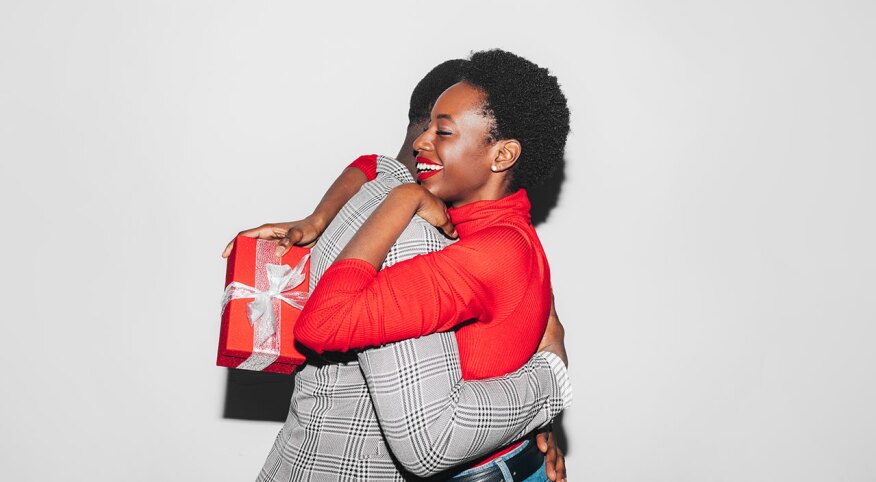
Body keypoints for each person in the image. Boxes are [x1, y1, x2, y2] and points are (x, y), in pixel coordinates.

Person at [224, 58, 570, 481]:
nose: (425, 141)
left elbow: (374, 167)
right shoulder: (426, 226)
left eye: (443, 130)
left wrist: (547, 385)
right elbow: (375, 166)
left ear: (501, 153)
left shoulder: (427, 224)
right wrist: (548, 381)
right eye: (429, 126)